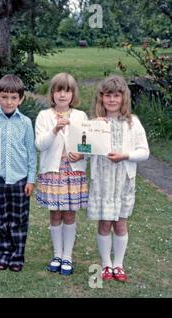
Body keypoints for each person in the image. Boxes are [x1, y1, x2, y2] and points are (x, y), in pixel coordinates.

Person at [88, 75, 149, 282]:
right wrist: (89, 132)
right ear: (101, 98)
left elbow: (144, 151)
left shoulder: (133, 123)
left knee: (121, 223)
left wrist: (126, 155)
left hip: (123, 181)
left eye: (116, 96)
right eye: (108, 96)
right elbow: (84, 149)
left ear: (124, 98)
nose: (112, 100)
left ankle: (118, 265)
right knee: (105, 223)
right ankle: (105, 264)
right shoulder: (95, 123)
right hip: (102, 181)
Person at [0, 74, 36, 272]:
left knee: (19, 219)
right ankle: (3, 254)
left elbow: (31, 152)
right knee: (0, 219)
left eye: (13, 97)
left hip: (20, 179)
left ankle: (17, 256)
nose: (9, 101)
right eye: (5, 97)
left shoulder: (26, 122)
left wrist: (31, 179)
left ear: (20, 99)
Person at [35, 73, 88, 275]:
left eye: (67, 90)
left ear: (73, 94)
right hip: (53, 171)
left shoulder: (80, 116)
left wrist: (82, 153)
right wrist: (54, 130)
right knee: (55, 213)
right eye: (59, 90)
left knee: (69, 213)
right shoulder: (44, 116)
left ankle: (68, 256)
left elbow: (88, 144)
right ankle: (57, 254)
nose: (63, 95)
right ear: (53, 93)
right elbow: (40, 145)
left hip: (73, 172)